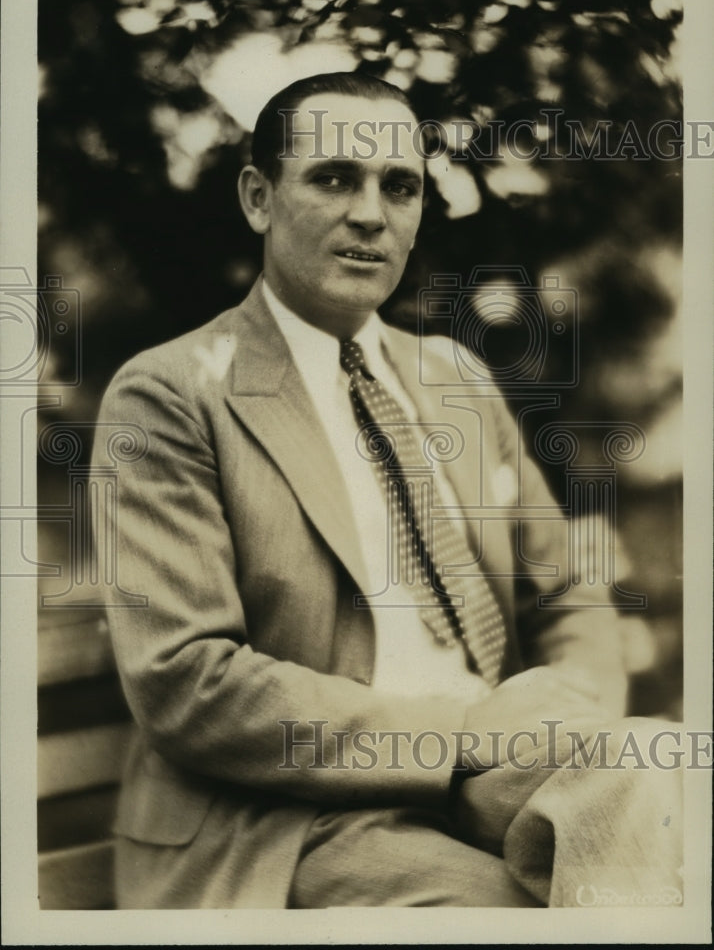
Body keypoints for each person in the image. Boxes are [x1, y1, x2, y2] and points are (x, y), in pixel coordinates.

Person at [92, 71, 681, 909]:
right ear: (259, 198)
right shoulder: (171, 394)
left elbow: (566, 591)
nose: (371, 212)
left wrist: (571, 715)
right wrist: (464, 735)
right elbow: (189, 682)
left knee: (660, 776)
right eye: (334, 177)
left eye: (398, 186)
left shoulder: (454, 379)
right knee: (528, 909)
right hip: (290, 818)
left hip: (487, 772)